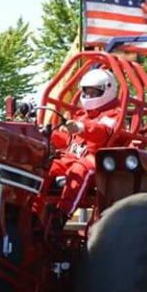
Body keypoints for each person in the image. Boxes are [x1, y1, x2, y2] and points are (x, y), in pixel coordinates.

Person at [43, 68, 122, 231]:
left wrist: (80, 127)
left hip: (97, 159)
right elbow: (68, 140)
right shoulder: (82, 114)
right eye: (87, 92)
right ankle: (34, 210)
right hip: (70, 157)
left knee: (81, 170)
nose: (89, 96)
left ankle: (62, 214)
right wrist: (50, 134)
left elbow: (102, 132)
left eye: (94, 92)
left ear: (107, 90)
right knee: (45, 169)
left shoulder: (114, 114)